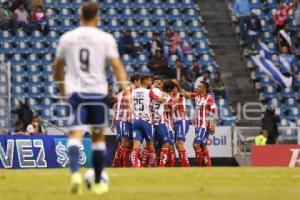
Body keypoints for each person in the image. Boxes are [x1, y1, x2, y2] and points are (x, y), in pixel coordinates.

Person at [53, 2, 128, 195]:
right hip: (97, 93)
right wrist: (125, 89)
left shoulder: (67, 38)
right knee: (97, 138)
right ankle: (98, 182)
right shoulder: (105, 38)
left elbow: (57, 67)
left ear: (80, 16)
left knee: (75, 134)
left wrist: (62, 88)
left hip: (75, 93)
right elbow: (117, 66)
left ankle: (75, 173)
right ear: (97, 16)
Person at [131, 75, 166, 167]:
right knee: (150, 145)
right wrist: (165, 98)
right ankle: (154, 166)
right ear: (146, 82)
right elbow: (160, 100)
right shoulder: (149, 92)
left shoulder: (133, 92)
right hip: (146, 121)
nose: (151, 83)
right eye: (150, 81)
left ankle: (135, 166)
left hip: (135, 120)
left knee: (136, 145)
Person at [184, 81, 218, 167]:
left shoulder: (209, 98)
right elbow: (186, 94)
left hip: (204, 126)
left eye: (199, 87)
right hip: (198, 126)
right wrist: (177, 87)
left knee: (196, 145)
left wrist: (213, 124)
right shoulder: (197, 96)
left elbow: (215, 111)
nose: (197, 88)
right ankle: (208, 165)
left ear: (204, 88)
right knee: (203, 145)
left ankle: (199, 166)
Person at [111, 73, 140, 168]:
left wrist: (112, 122)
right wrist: (114, 122)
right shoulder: (128, 91)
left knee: (129, 144)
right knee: (125, 143)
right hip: (124, 120)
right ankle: (115, 164)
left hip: (129, 120)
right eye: (140, 81)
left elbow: (115, 107)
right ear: (136, 81)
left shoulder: (133, 91)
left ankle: (126, 166)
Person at [151, 76, 170, 167]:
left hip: (155, 122)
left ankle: (155, 165)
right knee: (165, 142)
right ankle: (160, 165)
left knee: (152, 144)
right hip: (156, 122)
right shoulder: (158, 93)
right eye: (156, 83)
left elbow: (169, 102)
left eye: (159, 83)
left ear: (162, 84)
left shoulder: (148, 92)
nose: (157, 85)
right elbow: (165, 101)